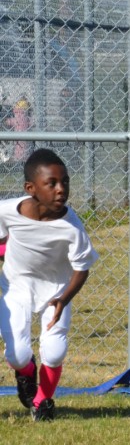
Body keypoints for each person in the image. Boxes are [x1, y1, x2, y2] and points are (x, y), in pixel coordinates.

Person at [0, 148, 99, 421]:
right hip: (16, 288)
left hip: (56, 290)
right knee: (18, 355)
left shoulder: (72, 226)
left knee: (54, 353)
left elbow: (82, 268)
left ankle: (42, 402)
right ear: (30, 188)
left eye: (65, 181)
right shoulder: (8, 211)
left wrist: (63, 300)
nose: (61, 190)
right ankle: (27, 373)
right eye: (51, 183)